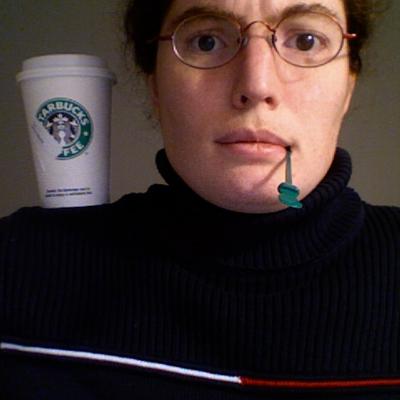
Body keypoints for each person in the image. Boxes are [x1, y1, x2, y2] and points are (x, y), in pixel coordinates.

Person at [1, 0, 399, 398]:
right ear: (155, 86)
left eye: (306, 40)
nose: (256, 85)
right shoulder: (18, 268)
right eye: (206, 41)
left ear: (348, 85)